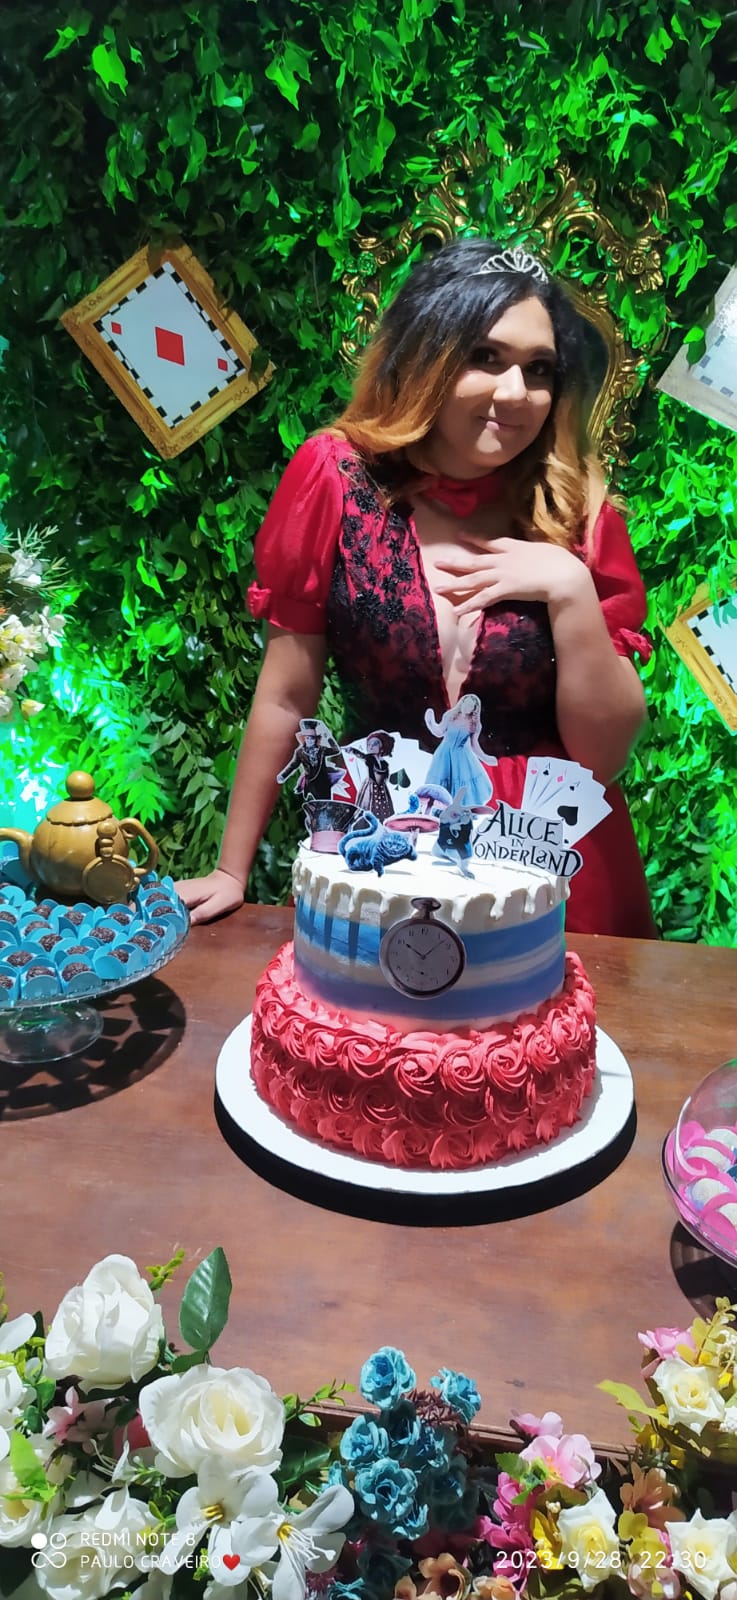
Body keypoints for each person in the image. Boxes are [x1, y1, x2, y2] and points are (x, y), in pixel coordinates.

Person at [178, 237, 656, 937]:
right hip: (383, 846)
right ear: (426, 354)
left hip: (551, 867)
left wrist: (570, 589)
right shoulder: (335, 477)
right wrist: (230, 870)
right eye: (484, 356)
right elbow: (285, 695)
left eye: (539, 369)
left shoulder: (577, 512)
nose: (514, 393)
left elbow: (601, 760)